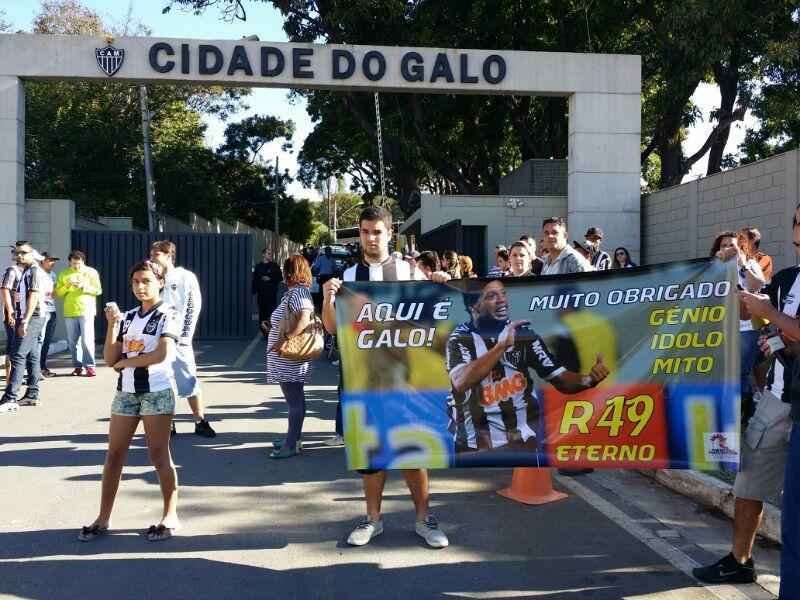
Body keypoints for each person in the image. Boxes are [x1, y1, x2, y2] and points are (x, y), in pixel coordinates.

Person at [322, 205, 450, 548]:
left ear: (390, 233)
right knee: (371, 455)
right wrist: (326, 299)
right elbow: (332, 329)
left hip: (406, 381)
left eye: (377, 231)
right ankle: (372, 520)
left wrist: (439, 282)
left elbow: (439, 311)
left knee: (413, 452)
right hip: (363, 382)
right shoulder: (347, 278)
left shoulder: (409, 270)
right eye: (365, 231)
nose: (371, 238)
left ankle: (425, 519)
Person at [447, 279, 609, 462]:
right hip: (475, 445)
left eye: (503, 294)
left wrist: (589, 380)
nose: (502, 300)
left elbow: (560, 378)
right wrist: (501, 347)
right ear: (473, 306)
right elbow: (461, 382)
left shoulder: (524, 335)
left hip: (520, 442)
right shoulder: (460, 338)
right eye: (492, 296)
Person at [77, 260, 181, 542]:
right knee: (113, 456)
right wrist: (112, 325)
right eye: (135, 282)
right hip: (125, 393)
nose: (140, 287)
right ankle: (103, 518)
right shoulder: (129, 316)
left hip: (156, 391)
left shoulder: (167, 313)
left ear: (160, 281)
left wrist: (127, 361)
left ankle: (170, 514)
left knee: (159, 456)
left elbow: (162, 354)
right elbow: (110, 360)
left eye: (146, 281)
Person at [739, 264, 800, 598]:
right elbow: (754, 312)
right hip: (778, 396)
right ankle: (739, 558)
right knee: (750, 480)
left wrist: (773, 319)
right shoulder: (787, 279)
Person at [149, 240, 216, 438]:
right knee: (162, 382)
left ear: (168, 256)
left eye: (157, 255)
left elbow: (193, 306)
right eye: (152, 255)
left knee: (188, 378)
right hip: (158, 338)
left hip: (179, 339)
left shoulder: (185, 276)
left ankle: (200, 420)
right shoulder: (153, 278)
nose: (153, 258)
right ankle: (168, 424)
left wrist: (185, 335)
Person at [267, 255, 315, 459]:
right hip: (289, 357)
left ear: (290, 272)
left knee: (294, 401)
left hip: (289, 357)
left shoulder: (298, 293)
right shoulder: (297, 293)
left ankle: (290, 444)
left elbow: (304, 317)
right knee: (296, 400)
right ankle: (293, 438)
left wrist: (285, 338)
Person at [711, 231, 765, 409]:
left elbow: (757, 285)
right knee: (725, 372)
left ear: (740, 247)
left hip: (746, 328)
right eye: (723, 245)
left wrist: (741, 265)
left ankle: (743, 411)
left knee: (739, 371)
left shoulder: (749, 264)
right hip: (721, 328)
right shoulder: (713, 267)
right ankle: (743, 404)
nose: (727, 248)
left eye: (731, 245)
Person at [0, 243, 48, 412]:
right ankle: (32, 394)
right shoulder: (27, 270)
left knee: (18, 355)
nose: (19, 256)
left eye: (23, 253)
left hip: (33, 317)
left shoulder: (33, 271)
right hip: (30, 317)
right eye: (17, 253)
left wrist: (25, 320)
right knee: (33, 355)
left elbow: (33, 295)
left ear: (32, 254)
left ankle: (10, 398)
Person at [55, 250, 102, 377]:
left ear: (83, 262)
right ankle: (77, 366)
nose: (76, 266)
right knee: (72, 342)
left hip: (86, 310)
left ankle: (90, 366)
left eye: (78, 264)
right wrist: (68, 286)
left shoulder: (91, 272)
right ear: (69, 262)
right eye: (74, 264)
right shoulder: (64, 274)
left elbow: (98, 290)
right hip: (70, 311)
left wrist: (84, 287)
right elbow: (58, 293)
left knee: (87, 340)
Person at [2, 243, 23, 384]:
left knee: (20, 345)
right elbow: (4, 290)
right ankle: (9, 378)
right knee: (12, 344)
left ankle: (16, 377)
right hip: (13, 313)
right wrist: (10, 312)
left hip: (24, 313)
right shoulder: (12, 270)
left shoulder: (28, 271)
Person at [252, 248, 282, 337]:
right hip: (261, 294)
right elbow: (255, 279)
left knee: (271, 313)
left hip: (271, 293)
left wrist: (271, 278)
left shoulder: (274, 266)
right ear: (263, 255)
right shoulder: (258, 266)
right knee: (262, 313)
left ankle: (270, 332)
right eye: (268, 253)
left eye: (270, 253)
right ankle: (264, 331)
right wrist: (254, 290)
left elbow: (280, 278)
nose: (270, 255)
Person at [38, 252, 59, 377]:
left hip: (52, 310)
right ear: (42, 261)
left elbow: (54, 294)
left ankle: (42, 367)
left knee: (46, 341)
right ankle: (35, 370)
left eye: (53, 260)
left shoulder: (53, 275)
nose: (52, 262)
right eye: (49, 260)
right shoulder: (37, 274)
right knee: (39, 340)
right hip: (41, 311)